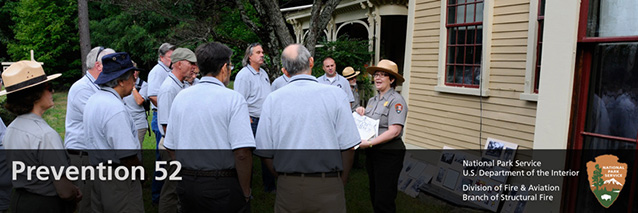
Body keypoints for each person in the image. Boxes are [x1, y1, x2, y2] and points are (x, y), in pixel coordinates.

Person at [255, 44, 360, 213]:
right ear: (311, 62)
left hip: (288, 185)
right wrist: (342, 180)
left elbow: (264, 151)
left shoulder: (273, 99)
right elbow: (348, 147)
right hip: (328, 184)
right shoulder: (336, 95)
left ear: (285, 71)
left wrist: (282, 176)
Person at [163, 42, 254, 212]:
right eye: (230, 66)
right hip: (221, 184)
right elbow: (242, 153)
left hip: (187, 184)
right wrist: (245, 191)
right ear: (225, 67)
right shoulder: (233, 99)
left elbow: (170, 147)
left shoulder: (181, 97)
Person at [2, 61, 81, 212]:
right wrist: (74, 192)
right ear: (35, 95)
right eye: (48, 88)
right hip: (45, 205)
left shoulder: (11, 128)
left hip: (19, 201)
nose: (52, 92)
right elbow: (64, 190)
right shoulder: (45, 135)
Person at [84, 52, 144, 213]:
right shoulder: (115, 109)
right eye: (132, 76)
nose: (135, 81)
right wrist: (140, 174)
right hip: (119, 179)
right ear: (121, 81)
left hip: (99, 175)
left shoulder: (94, 100)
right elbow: (127, 155)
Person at [64, 46, 115, 213]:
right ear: (99, 65)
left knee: (98, 204)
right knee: (85, 205)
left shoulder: (101, 87)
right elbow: (101, 120)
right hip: (82, 156)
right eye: (112, 62)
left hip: (94, 156)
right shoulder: (82, 88)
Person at [355, 59, 408, 213]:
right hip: (374, 153)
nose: (377, 78)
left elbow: (395, 131)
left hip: (389, 153)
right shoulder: (372, 100)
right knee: (375, 193)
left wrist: (370, 143)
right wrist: (361, 112)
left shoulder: (397, 101)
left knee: (384, 197)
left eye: (382, 75)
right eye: (376, 74)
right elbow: (369, 124)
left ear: (392, 80)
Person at [157, 47, 197, 213]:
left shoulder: (180, 85)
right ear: (179, 64)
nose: (194, 67)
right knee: (171, 189)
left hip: (180, 146)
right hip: (171, 147)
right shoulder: (168, 88)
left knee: (179, 188)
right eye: (190, 63)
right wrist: (176, 155)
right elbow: (166, 126)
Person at [234, 43, 275, 192]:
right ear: (250, 56)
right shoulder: (244, 75)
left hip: (265, 120)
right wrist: (246, 119)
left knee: (267, 154)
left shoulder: (263, 73)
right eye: (258, 52)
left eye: (262, 52)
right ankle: (246, 189)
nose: (262, 54)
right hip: (252, 120)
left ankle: (270, 187)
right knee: (246, 157)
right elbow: (239, 100)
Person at [147, 43, 175, 204]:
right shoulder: (157, 72)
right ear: (162, 57)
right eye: (170, 57)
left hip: (167, 116)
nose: (172, 60)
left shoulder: (168, 71)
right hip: (160, 117)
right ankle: (157, 196)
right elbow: (152, 95)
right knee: (162, 158)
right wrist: (169, 108)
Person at [123, 68, 149, 148]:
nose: (133, 74)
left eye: (134, 72)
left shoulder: (143, 85)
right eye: (130, 72)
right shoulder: (123, 85)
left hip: (139, 123)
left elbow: (139, 101)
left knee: (136, 148)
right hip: (126, 122)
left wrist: (133, 87)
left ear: (138, 72)